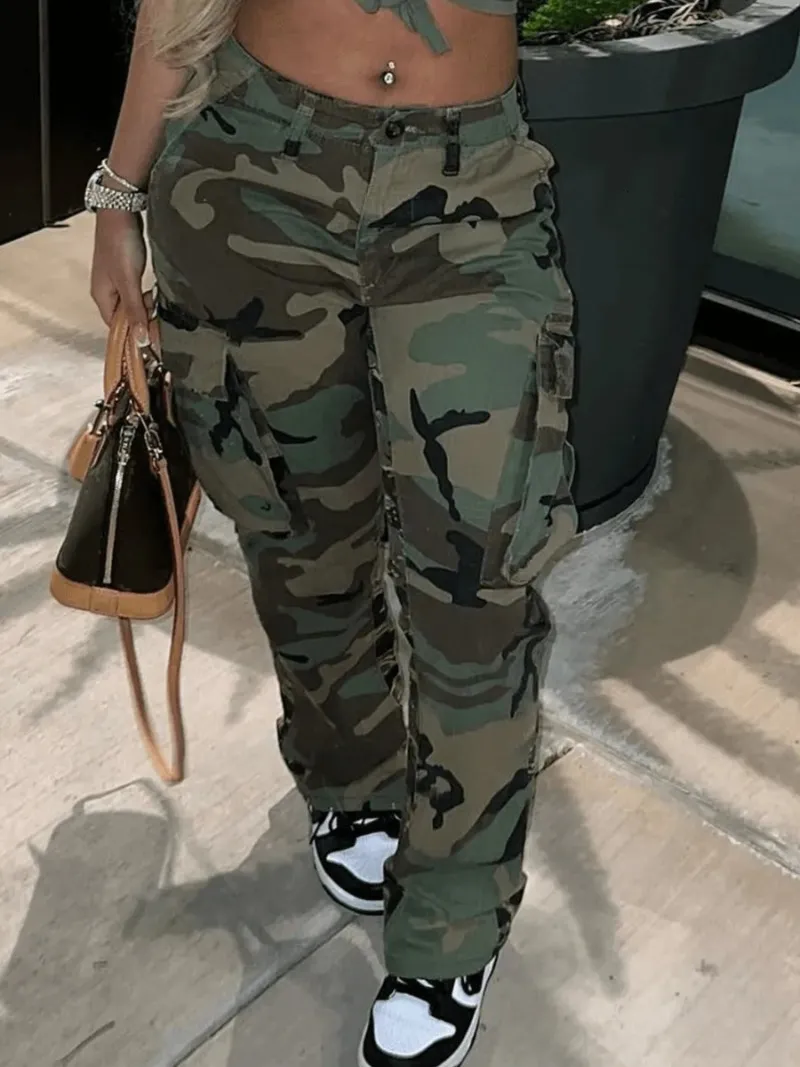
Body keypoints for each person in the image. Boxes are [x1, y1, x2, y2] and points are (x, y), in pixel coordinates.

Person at [88, 0, 577, 1062]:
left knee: (479, 577)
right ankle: (350, 775)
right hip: (253, 161)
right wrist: (119, 194)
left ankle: (451, 920)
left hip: (468, 192)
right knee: (297, 525)